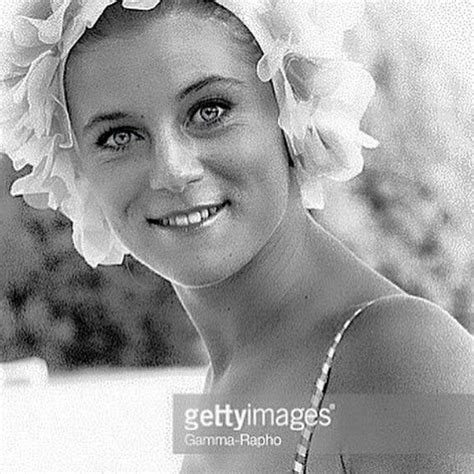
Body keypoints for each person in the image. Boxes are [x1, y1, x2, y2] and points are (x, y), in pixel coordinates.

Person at [1, 0, 472, 472]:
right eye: (119, 136)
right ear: (76, 166)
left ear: (291, 107)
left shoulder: (401, 358)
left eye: (209, 111)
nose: (172, 171)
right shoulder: (224, 388)